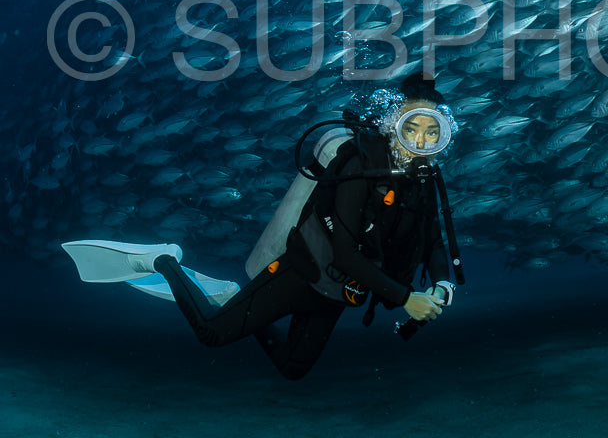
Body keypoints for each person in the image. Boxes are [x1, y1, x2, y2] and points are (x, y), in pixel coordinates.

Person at [63, 73, 466, 380]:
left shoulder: (425, 180)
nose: (421, 141)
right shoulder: (361, 166)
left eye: (433, 132)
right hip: (300, 274)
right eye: (412, 127)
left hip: (340, 292)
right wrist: (404, 298)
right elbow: (343, 250)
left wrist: (442, 283)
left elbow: (431, 239)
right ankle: (162, 260)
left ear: (444, 135)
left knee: (293, 368)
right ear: (395, 123)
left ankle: (234, 297)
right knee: (211, 333)